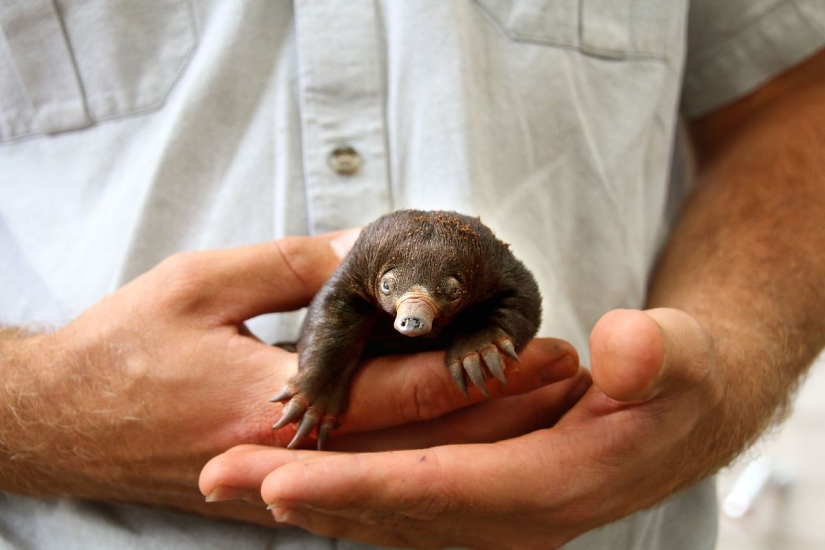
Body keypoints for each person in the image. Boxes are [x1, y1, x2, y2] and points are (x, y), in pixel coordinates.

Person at [1, 1, 824, 549]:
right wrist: (37, 411)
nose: (413, 315)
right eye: (400, 296)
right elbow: (336, 316)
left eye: (440, 299)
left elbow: (796, 93)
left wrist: (728, 368)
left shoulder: (496, 280)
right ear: (375, 278)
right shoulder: (359, 283)